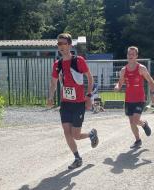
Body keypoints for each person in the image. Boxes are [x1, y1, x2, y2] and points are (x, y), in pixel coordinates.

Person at [47, 33, 99, 169]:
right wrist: (51, 97)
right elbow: (53, 83)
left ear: (70, 45)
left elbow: (90, 78)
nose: (61, 46)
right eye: (59, 44)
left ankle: (91, 134)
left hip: (78, 104)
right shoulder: (57, 64)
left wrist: (89, 96)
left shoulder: (78, 61)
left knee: (76, 135)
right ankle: (77, 158)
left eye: (63, 43)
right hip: (65, 103)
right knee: (66, 132)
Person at [114, 46, 154, 148]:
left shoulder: (141, 68)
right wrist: (117, 87)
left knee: (135, 120)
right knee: (131, 122)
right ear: (127, 55)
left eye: (133, 54)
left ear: (136, 56)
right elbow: (120, 84)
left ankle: (144, 124)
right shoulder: (123, 70)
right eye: (129, 54)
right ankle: (138, 140)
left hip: (139, 99)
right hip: (129, 99)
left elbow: (151, 81)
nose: (130, 56)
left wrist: (152, 94)